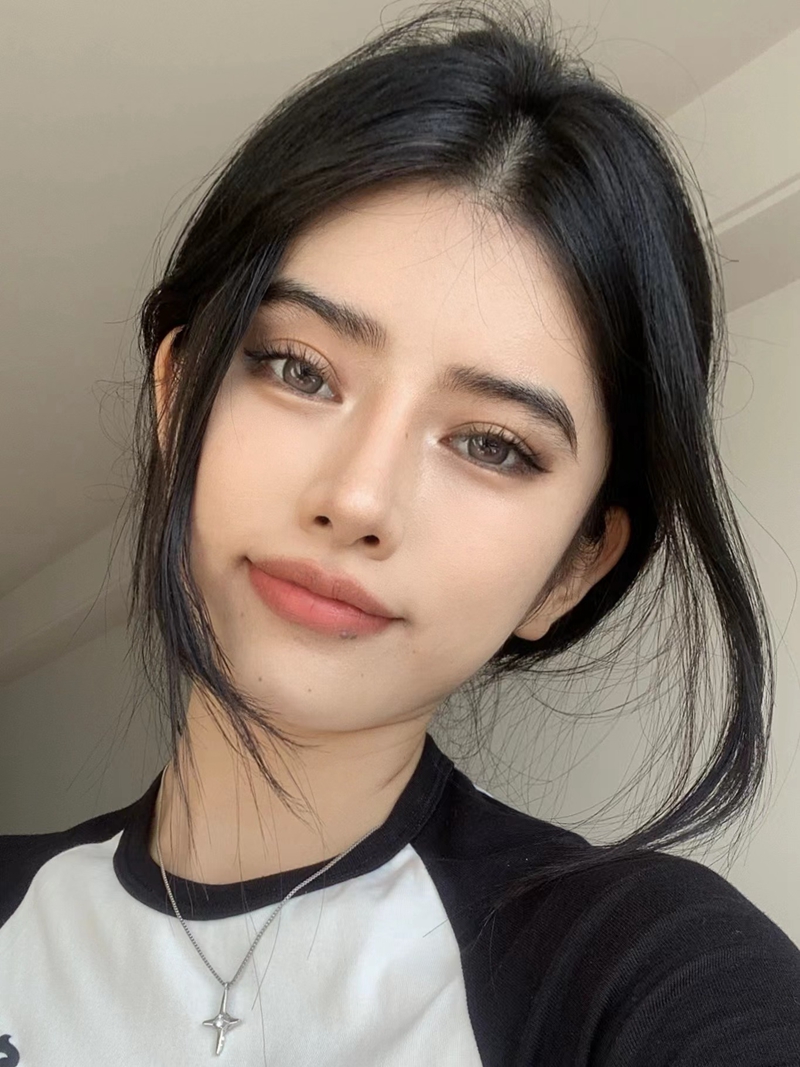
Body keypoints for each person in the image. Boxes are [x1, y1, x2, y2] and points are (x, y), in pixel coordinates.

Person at [2, 1, 799, 1063]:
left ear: (569, 572)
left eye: (492, 444)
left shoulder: (638, 966)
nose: (359, 498)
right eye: (300, 369)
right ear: (176, 392)